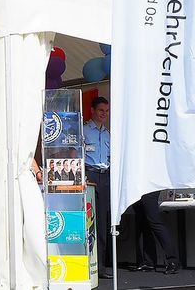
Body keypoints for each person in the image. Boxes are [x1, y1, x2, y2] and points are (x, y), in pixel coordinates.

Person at [84, 96, 112, 279]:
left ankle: (100, 266)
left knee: (103, 221)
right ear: (93, 110)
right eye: (101, 110)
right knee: (90, 221)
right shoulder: (85, 130)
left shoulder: (108, 133)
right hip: (90, 175)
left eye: (106, 111)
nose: (104, 114)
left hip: (105, 177)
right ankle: (88, 263)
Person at [132, 190, 181, 274]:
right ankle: (149, 261)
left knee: (154, 221)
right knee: (143, 223)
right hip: (136, 186)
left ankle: (173, 261)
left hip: (148, 186)